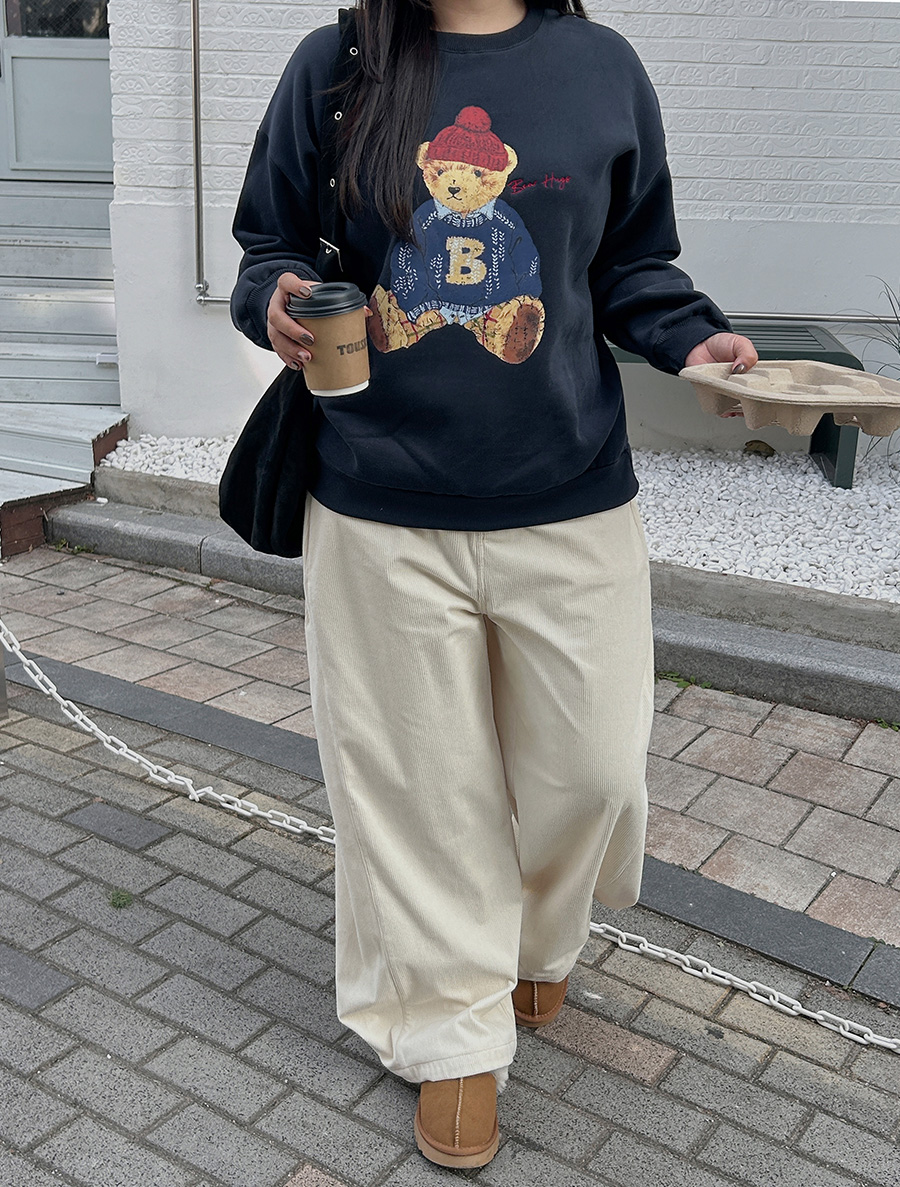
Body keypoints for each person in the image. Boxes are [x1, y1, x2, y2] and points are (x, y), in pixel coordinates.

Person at [230, 0, 758, 1169]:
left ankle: (535, 938)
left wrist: (694, 342)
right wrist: (272, 297)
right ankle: (450, 1029)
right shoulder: (340, 63)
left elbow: (633, 266)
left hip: (569, 494)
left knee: (594, 771)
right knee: (420, 786)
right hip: (378, 500)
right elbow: (269, 243)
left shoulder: (601, 68)